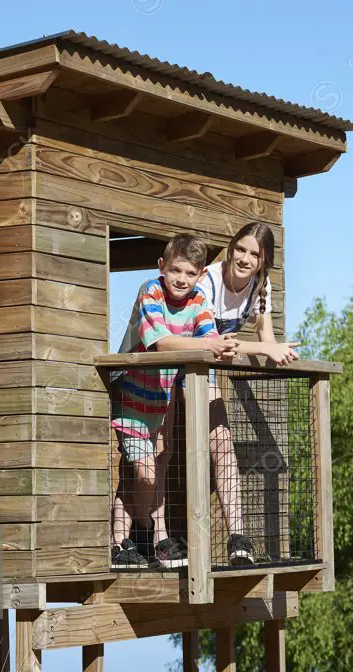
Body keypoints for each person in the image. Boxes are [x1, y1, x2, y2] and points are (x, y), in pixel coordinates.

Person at [110, 234, 238, 569]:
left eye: (190, 273)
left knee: (141, 473)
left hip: (159, 403)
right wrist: (208, 346)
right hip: (132, 401)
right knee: (146, 473)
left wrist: (217, 344)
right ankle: (137, 534)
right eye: (176, 270)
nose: (181, 279)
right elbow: (161, 343)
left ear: (200, 276)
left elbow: (209, 336)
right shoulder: (150, 291)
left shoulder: (197, 301)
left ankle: (125, 543)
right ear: (162, 267)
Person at [195, 221, 301, 565]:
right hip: (178, 365)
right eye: (240, 248)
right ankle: (147, 539)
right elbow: (214, 341)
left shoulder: (260, 285)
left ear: (263, 260)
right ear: (231, 247)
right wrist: (264, 349)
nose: (244, 257)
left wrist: (279, 350)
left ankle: (238, 539)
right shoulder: (209, 280)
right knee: (161, 453)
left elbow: (264, 335)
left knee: (222, 444)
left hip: (204, 370)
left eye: (254, 253)